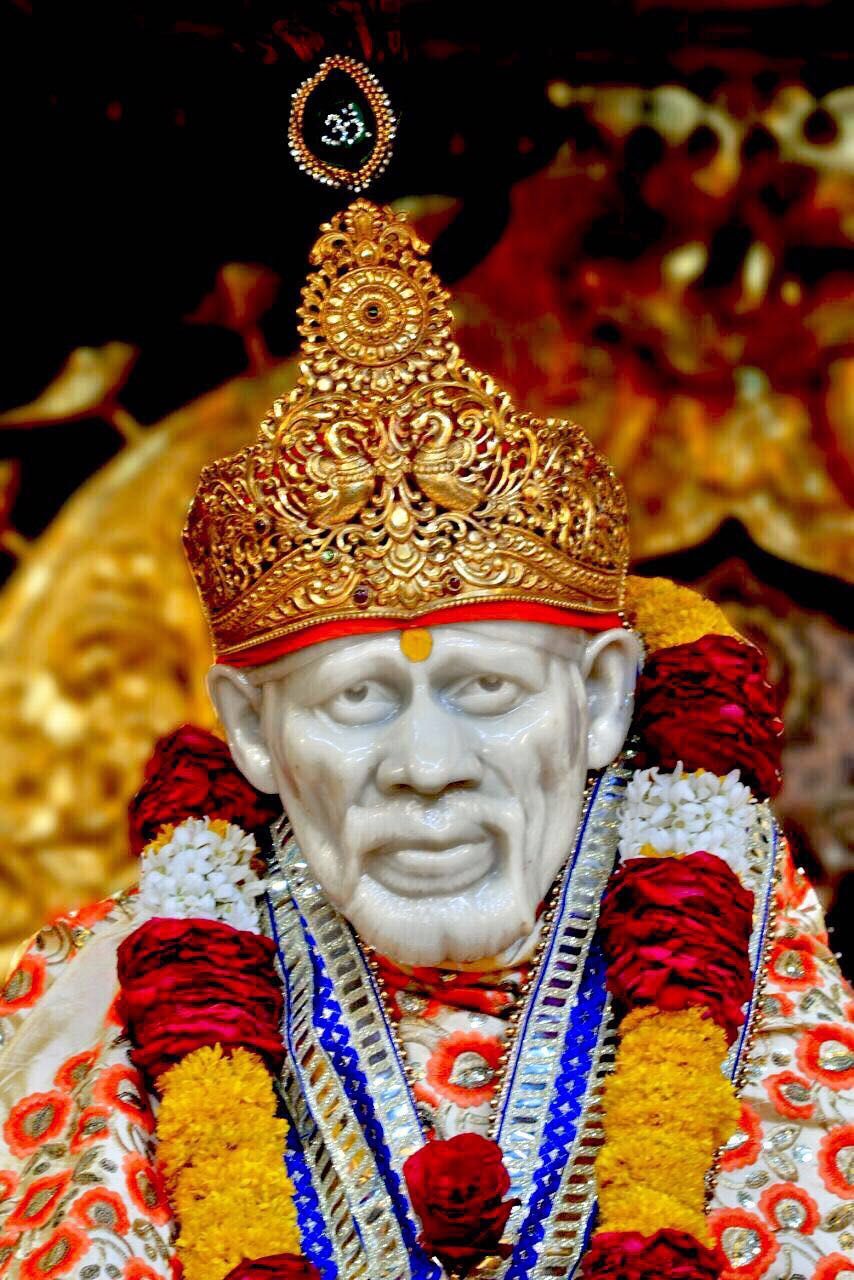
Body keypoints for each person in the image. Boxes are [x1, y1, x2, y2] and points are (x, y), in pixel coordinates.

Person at [0, 197, 851, 1280]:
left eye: (488, 687)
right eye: (355, 699)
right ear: (252, 729)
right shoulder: (81, 1016)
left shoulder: (758, 974)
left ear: (598, 699)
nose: (426, 766)